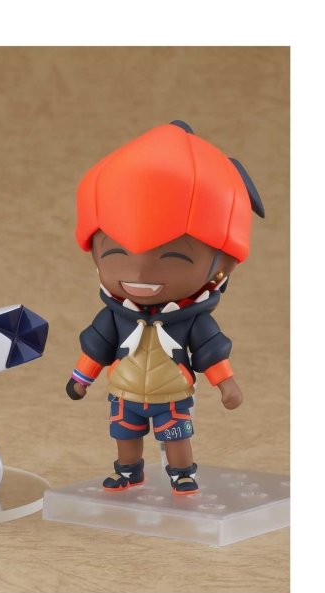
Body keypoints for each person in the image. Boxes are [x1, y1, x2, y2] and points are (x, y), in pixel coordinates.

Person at [66, 121, 264, 495]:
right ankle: (128, 470)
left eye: (172, 258)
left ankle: (182, 472)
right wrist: (81, 379)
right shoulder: (114, 316)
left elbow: (210, 351)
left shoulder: (192, 320)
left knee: (176, 436)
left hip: (171, 393)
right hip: (124, 391)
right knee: (124, 434)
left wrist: (226, 384)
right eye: (116, 254)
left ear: (222, 265)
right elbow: (96, 347)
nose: (140, 273)